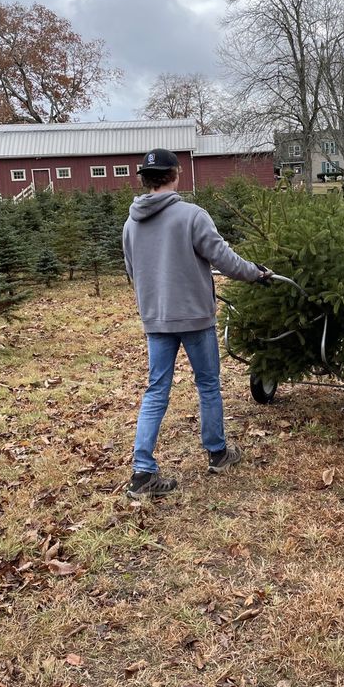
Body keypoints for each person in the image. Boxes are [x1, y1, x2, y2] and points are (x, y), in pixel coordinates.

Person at [122, 149, 271, 498]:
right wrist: (256, 274)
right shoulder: (192, 215)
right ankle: (217, 453)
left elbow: (132, 271)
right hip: (195, 317)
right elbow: (224, 259)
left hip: (156, 319)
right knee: (207, 384)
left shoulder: (131, 224)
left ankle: (142, 472)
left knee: (156, 390)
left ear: (145, 179)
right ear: (176, 175)